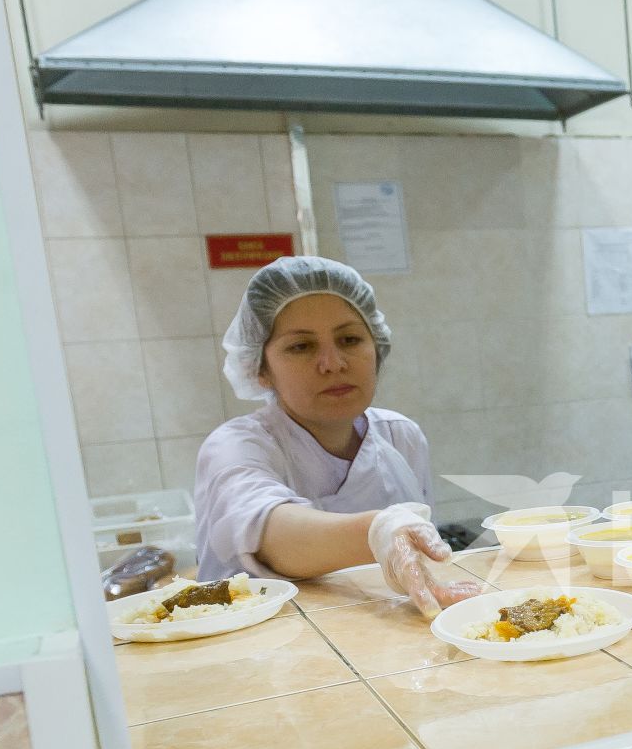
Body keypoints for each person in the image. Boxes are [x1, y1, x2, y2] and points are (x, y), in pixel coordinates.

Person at [193, 256, 480, 616]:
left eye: (349, 339)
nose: (333, 362)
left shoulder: (400, 437)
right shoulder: (236, 447)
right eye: (301, 346)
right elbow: (265, 533)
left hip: (388, 645)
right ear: (260, 369)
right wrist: (377, 531)